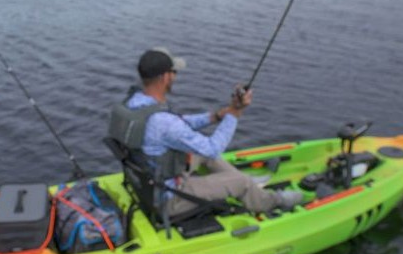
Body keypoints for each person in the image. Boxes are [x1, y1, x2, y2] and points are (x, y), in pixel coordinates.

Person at [108, 47, 304, 216]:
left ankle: (245, 185)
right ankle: (269, 200)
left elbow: (178, 124)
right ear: (166, 77)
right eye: (174, 72)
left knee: (202, 156)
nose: (175, 77)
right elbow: (213, 148)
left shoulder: (135, 102)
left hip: (147, 184)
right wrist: (235, 113)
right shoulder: (163, 122)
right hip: (169, 198)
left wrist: (216, 116)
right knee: (236, 178)